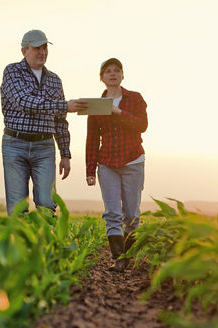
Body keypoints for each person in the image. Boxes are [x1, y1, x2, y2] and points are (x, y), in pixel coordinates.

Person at [1, 29, 88, 215]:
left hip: (45, 147)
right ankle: (21, 244)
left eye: (45, 47)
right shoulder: (12, 72)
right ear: (24, 51)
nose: (42, 52)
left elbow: (60, 120)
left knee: (47, 203)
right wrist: (65, 105)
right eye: (37, 48)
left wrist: (65, 153)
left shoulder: (55, 80)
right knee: (17, 206)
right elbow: (24, 102)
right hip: (15, 145)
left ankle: (46, 243)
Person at [86, 58, 148, 272]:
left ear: (123, 75)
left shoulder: (135, 98)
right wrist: (90, 170)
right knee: (112, 213)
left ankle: (130, 256)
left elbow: (142, 126)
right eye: (107, 71)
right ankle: (119, 259)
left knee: (131, 214)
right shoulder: (96, 105)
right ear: (102, 78)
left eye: (117, 71)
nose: (112, 74)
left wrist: (119, 113)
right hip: (107, 163)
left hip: (133, 161)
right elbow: (92, 138)